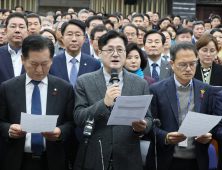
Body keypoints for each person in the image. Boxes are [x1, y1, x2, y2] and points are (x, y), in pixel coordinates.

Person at [73, 30, 153, 170]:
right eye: (110, 50)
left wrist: (142, 127)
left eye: (120, 50)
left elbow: (149, 118)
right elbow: (79, 118)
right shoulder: (84, 81)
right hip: (95, 155)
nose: (115, 54)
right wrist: (103, 103)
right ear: (99, 53)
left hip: (128, 157)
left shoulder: (140, 83)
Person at [0, 34, 74, 170]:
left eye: (45, 64)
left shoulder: (65, 88)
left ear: (51, 60)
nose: (39, 70)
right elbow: (1, 121)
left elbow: (71, 122)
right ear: (23, 59)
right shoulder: (8, 87)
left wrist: (60, 132)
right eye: (33, 64)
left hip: (52, 161)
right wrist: (9, 130)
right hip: (18, 161)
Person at [146, 41, 213, 170]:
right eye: (183, 65)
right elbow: (150, 127)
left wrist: (207, 136)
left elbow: (210, 122)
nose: (188, 69)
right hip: (166, 160)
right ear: (172, 64)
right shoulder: (157, 89)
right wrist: (166, 137)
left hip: (196, 160)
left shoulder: (205, 89)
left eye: (192, 64)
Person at [49, 20, 101, 167]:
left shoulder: (94, 63)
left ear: (84, 39)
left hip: (84, 126)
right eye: (69, 34)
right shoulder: (52, 62)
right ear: (61, 37)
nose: (73, 39)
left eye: (78, 35)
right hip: (59, 125)